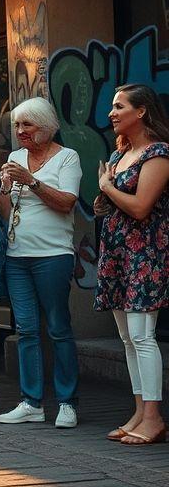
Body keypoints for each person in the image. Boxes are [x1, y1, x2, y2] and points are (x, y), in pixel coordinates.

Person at [0, 97, 82, 428]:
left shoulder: (67, 158)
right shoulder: (16, 157)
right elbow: (6, 212)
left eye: (27, 125)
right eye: (17, 126)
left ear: (46, 127)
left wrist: (31, 181)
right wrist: (5, 188)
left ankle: (67, 402)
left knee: (59, 328)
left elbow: (66, 203)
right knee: (27, 329)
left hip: (53, 255)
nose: (20, 132)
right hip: (17, 257)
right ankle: (31, 402)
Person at [94, 84, 169, 445]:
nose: (111, 112)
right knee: (126, 338)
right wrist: (104, 198)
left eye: (119, 106)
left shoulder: (158, 153)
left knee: (142, 336)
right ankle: (139, 411)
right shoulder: (121, 152)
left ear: (141, 111)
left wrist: (108, 187)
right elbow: (118, 202)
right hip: (119, 253)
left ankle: (154, 417)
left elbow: (141, 207)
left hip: (145, 254)